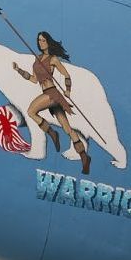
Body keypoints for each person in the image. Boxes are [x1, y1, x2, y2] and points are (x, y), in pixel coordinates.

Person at [12, 31, 91, 174]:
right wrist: (19, 70)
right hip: (47, 94)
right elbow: (34, 79)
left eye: (43, 40)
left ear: (48, 42)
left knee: (30, 111)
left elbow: (66, 75)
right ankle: (84, 157)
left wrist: (68, 90)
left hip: (52, 94)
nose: (41, 43)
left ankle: (52, 133)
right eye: (39, 40)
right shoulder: (36, 61)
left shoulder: (53, 59)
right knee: (68, 130)